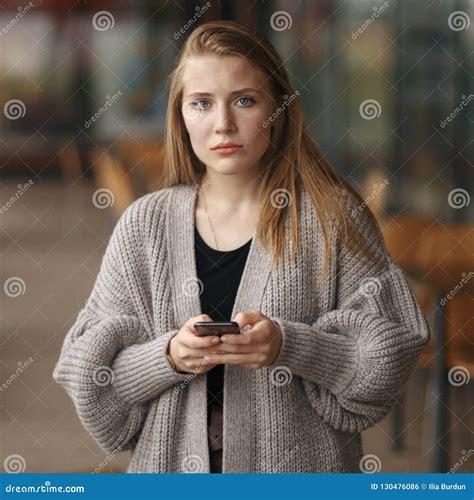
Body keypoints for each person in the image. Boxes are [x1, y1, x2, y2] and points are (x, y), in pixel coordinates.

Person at [53, 20, 430, 473]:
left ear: (279, 110)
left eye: (245, 101)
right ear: (181, 116)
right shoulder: (144, 225)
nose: (224, 124)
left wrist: (291, 347)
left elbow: (390, 357)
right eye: (202, 104)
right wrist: (169, 356)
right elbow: (89, 375)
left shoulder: (333, 219)